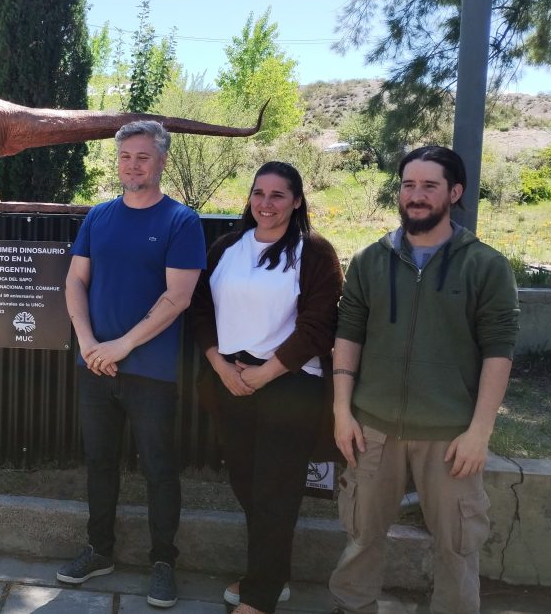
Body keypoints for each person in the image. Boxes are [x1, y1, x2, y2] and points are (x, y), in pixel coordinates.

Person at [329, 146, 519, 614]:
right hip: (373, 427)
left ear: (454, 192)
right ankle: (352, 606)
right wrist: (341, 411)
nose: (416, 196)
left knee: (457, 545)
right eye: (408, 185)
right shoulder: (371, 260)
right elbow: (348, 335)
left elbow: (499, 352)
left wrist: (480, 432)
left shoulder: (485, 265)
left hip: (452, 435)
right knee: (360, 535)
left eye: (429, 186)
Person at [57, 120, 206, 609]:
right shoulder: (98, 218)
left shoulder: (181, 222)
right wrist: (87, 342)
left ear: (161, 161)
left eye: (143, 156)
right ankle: (99, 550)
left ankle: (163, 561)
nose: (133, 165)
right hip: (94, 366)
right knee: (99, 464)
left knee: (160, 469)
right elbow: (75, 281)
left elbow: (178, 297)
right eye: (125, 157)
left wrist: (121, 345)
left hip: (151, 372)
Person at [187, 161, 343, 614]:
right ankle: (272, 576)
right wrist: (219, 365)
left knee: (276, 490)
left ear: (296, 201)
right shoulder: (226, 247)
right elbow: (199, 311)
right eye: (259, 193)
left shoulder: (313, 252)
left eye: (278, 195)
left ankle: (259, 598)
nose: (266, 203)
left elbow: (319, 324)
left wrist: (267, 372)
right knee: (247, 485)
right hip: (229, 383)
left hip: (289, 386)